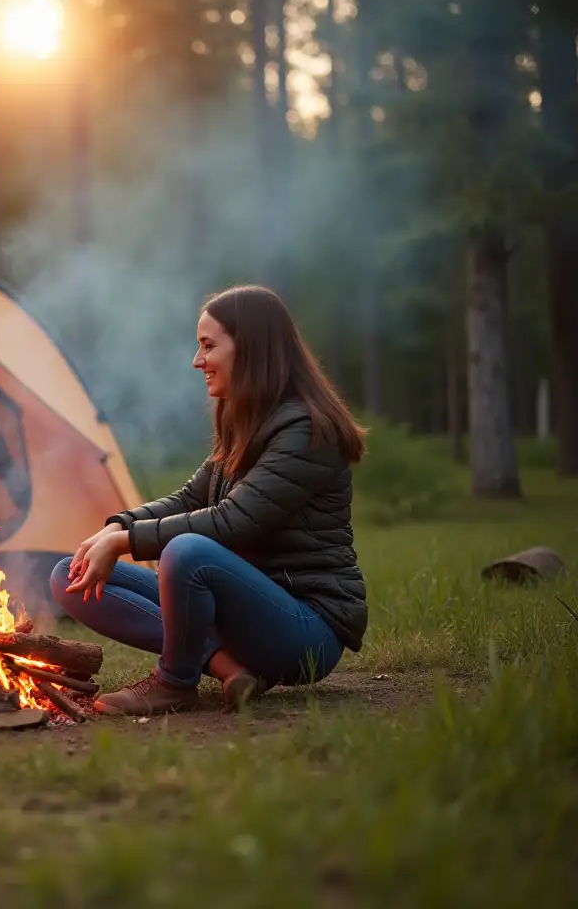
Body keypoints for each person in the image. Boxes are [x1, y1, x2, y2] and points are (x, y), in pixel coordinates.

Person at [50, 285, 368, 717]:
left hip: (306, 628)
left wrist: (126, 543)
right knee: (68, 575)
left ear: (250, 348)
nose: (197, 361)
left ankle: (174, 683)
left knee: (188, 553)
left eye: (207, 346)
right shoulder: (248, 419)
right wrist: (116, 528)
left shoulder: (306, 431)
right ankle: (230, 667)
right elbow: (190, 498)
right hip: (246, 613)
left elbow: (234, 521)